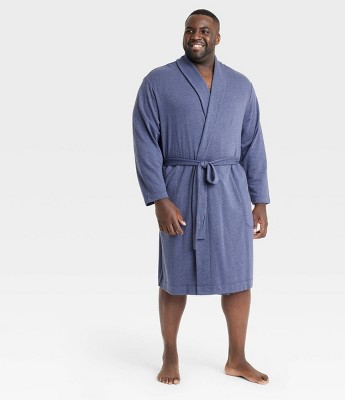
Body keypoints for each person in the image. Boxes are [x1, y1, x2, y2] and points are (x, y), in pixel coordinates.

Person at [132, 9, 270, 385]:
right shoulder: (157, 81)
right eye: (190, 29)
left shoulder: (240, 85)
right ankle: (170, 354)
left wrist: (259, 200)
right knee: (174, 277)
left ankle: (237, 358)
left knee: (238, 276)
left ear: (217, 38)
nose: (197, 35)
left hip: (229, 191)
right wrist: (159, 198)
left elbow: (252, 144)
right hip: (180, 190)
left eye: (205, 31)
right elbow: (145, 143)